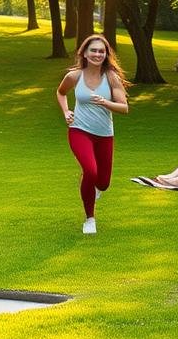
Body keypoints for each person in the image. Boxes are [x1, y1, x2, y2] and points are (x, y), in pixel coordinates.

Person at [54, 34, 130, 235]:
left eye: (101, 51)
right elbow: (61, 93)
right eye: (93, 50)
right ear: (85, 53)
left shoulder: (111, 77)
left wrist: (105, 102)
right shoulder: (74, 76)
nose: (97, 54)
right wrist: (66, 111)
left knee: (103, 183)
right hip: (79, 130)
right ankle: (90, 219)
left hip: (104, 134)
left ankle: (91, 185)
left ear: (106, 55)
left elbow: (124, 108)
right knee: (91, 171)